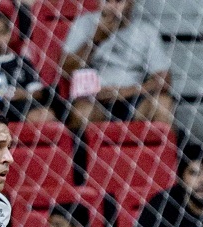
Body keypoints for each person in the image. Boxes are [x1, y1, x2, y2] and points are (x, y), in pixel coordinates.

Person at [60, 0, 173, 131]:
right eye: (108, 1)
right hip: (95, 98)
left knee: (163, 104)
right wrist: (96, 40)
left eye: (119, 1)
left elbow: (164, 80)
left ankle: (159, 151)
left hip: (135, 97)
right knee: (83, 112)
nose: (113, 7)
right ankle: (81, 151)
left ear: (130, 3)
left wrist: (127, 92)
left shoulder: (146, 30)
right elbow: (65, 68)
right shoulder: (85, 23)